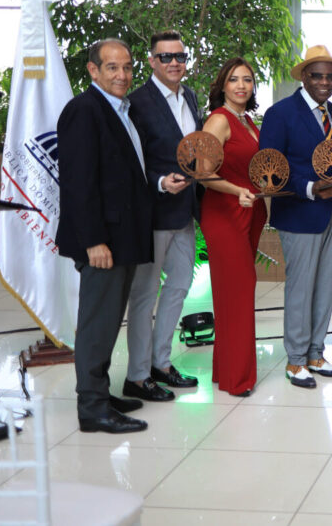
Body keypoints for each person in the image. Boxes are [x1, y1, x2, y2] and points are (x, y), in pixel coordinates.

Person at [57, 39, 160, 433]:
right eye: (112, 67)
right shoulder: (84, 110)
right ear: (93, 70)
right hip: (103, 241)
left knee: (109, 321)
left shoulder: (122, 109)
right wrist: (93, 240)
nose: (122, 75)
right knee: (97, 325)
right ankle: (93, 409)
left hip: (123, 237)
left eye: (127, 67)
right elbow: (78, 183)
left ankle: (100, 392)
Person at [259, 45, 332, 388]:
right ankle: (296, 360)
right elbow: (270, 167)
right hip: (300, 212)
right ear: (303, 77)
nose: (325, 82)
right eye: (317, 76)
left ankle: (316, 354)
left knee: (326, 288)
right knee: (301, 289)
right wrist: (311, 188)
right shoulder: (280, 113)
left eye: (331, 77)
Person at [124, 31, 201, 403]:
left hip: (185, 211)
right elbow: (130, 158)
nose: (174, 63)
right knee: (144, 295)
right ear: (152, 61)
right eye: (165, 57)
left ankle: (161, 363)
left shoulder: (190, 97)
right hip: (153, 211)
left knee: (180, 285)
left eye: (179, 56)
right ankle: (137, 377)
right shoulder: (137, 102)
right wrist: (158, 182)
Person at [200, 58, 269, 396]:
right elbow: (202, 172)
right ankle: (238, 379)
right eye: (234, 79)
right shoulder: (219, 120)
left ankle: (225, 370)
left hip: (248, 212)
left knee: (233, 293)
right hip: (225, 214)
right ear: (223, 86)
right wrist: (236, 190)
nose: (241, 85)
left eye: (247, 79)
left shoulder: (247, 121)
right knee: (238, 293)